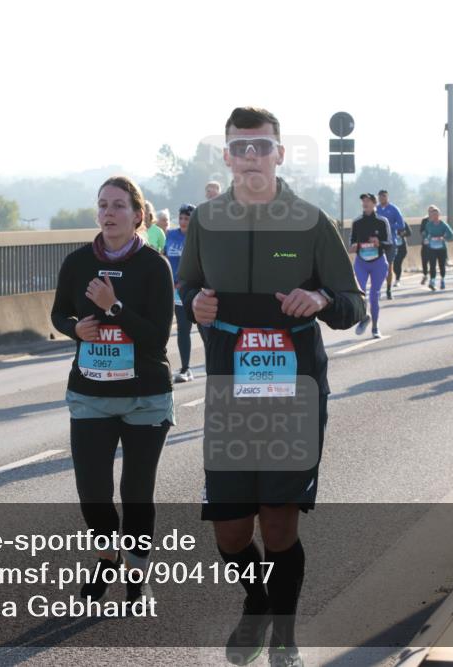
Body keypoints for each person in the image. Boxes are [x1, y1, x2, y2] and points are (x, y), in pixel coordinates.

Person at [178, 107, 365, 667]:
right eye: (241, 147)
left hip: (295, 393)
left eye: (262, 146)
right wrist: (194, 303)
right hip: (230, 394)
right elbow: (184, 286)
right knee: (232, 534)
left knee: (279, 521)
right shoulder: (207, 221)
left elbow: (352, 303)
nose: (251, 156)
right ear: (228, 156)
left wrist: (323, 299)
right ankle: (257, 603)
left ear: (279, 154)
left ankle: (284, 634)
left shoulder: (310, 221)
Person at [50, 176, 175, 607]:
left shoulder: (155, 266)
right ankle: (107, 559)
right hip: (90, 393)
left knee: (136, 492)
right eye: (103, 205)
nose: (109, 213)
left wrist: (113, 308)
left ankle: (137, 576)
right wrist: (74, 328)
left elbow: (158, 337)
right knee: (93, 492)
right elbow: (59, 313)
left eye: (119, 205)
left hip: (145, 395)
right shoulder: (77, 262)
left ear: (138, 215)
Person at [164, 204, 198, 381]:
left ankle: (215, 368)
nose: (184, 221)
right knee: (183, 329)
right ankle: (185, 369)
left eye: (187, 218)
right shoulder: (170, 235)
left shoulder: (199, 236)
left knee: (205, 331)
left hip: (197, 289)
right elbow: (164, 258)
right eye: (181, 218)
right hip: (177, 291)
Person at [350, 193, 391, 338]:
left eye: (367, 201)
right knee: (359, 294)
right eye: (363, 201)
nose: (365, 204)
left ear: (374, 204)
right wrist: (354, 246)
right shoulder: (357, 222)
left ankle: (375, 327)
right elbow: (352, 242)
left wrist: (379, 242)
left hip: (378, 262)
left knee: (374, 296)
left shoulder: (382, 221)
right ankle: (363, 317)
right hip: (361, 262)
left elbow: (389, 243)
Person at [376, 189, 406, 298]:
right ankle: (377, 289)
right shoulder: (376, 209)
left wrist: (389, 226)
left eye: (384, 196)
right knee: (377, 266)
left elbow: (401, 225)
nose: (382, 198)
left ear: (387, 197)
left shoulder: (394, 209)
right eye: (380, 196)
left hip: (391, 241)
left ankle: (388, 290)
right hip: (378, 242)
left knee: (389, 265)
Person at [424, 205, 453, 291]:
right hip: (432, 247)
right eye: (433, 215)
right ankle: (432, 281)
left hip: (441, 248)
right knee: (432, 265)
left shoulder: (443, 224)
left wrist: (443, 238)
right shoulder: (429, 224)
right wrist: (426, 239)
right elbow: (426, 234)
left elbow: (451, 234)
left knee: (442, 265)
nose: (435, 216)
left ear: (439, 215)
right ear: (431, 216)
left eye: (436, 215)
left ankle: (442, 280)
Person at [419, 207, 435, 285]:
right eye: (429, 211)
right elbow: (421, 230)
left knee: (432, 262)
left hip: (434, 244)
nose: (430, 213)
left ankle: (432, 279)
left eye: (432, 211)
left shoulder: (437, 221)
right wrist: (425, 234)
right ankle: (425, 275)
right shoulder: (424, 220)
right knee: (424, 260)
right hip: (425, 243)